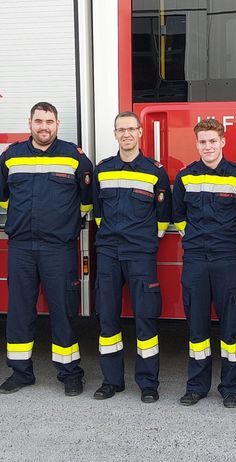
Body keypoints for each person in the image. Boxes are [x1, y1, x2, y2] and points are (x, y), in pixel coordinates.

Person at [0, 102, 93, 396]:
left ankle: (70, 373)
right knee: (20, 311)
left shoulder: (74, 157)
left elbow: (86, 201)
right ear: (30, 123)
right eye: (39, 121)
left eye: (49, 121)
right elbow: (3, 198)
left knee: (63, 311)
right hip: (22, 246)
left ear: (57, 124)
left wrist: (62, 224)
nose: (44, 126)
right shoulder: (11, 157)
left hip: (58, 247)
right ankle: (21, 372)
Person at [171, 118, 236, 408]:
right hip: (195, 259)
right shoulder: (184, 177)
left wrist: (225, 242)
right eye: (202, 142)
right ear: (196, 144)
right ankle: (196, 386)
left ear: (223, 142)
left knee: (231, 328)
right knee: (197, 327)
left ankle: (231, 388)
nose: (207, 146)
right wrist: (196, 238)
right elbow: (178, 216)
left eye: (212, 141)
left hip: (227, 259)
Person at [91, 112, 171, 403]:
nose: (126, 134)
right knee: (108, 320)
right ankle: (111, 381)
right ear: (115, 134)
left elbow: (163, 217)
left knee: (145, 319)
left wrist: (143, 240)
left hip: (140, 254)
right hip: (109, 253)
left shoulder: (155, 171)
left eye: (131, 129)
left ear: (140, 133)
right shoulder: (103, 170)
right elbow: (98, 213)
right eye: (121, 130)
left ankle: (148, 383)